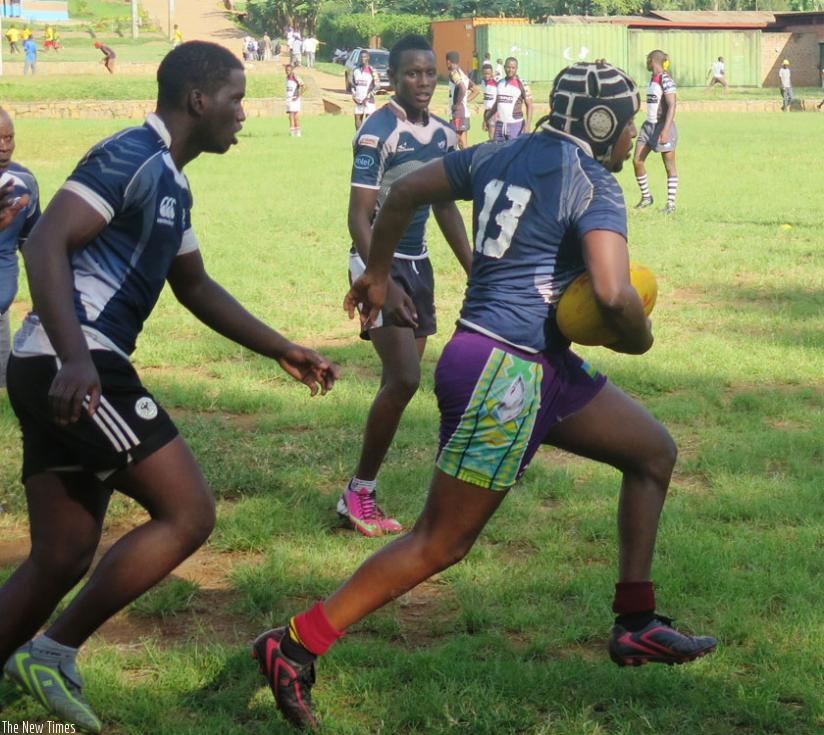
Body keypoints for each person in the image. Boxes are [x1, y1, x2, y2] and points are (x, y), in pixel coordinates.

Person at [252, 60, 717, 731]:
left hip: (536, 363)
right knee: (440, 541)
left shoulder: (497, 151)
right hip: (507, 372)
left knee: (652, 452)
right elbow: (614, 292)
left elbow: (407, 188)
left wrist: (377, 274)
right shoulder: (593, 183)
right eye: (628, 127)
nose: (634, 139)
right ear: (601, 123)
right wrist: (638, 338)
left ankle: (636, 621)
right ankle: (294, 643)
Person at [0, 41, 338, 733]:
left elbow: (195, 286)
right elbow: (44, 243)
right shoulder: (131, 156)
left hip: (57, 364)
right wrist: (76, 359)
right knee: (189, 512)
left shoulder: (174, 183)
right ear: (198, 100)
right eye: (238, 99)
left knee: (62, 551)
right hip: (77, 361)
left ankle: (29, 655)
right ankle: (53, 651)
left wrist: (283, 347)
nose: (244, 114)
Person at [336, 34, 472, 538]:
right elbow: (358, 213)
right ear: (392, 77)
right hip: (376, 263)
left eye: (429, 73)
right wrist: (378, 277)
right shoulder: (377, 133)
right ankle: (359, 492)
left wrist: (473, 267)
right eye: (412, 73)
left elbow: (444, 207)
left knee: (401, 383)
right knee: (405, 379)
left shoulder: (442, 134)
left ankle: (358, 490)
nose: (422, 82)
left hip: (418, 265)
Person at [0, 108, 40, 388]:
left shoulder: (24, 182)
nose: (4, 146)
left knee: (3, 390)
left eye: (9, 138)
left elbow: (33, 242)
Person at [633, 49, 678, 214]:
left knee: (669, 166)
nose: (646, 63)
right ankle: (646, 198)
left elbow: (672, 105)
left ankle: (671, 204)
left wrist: (665, 130)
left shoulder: (666, 79)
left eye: (647, 60)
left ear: (652, 60)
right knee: (637, 160)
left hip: (663, 126)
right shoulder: (652, 78)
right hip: (648, 126)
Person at [485, 56, 532, 143]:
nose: (510, 70)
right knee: (498, 152)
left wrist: (528, 125)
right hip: (500, 125)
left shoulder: (522, 83)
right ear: (504, 67)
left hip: (515, 125)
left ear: (516, 68)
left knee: (514, 153)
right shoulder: (500, 83)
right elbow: (497, 103)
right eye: (508, 67)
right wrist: (486, 118)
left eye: (513, 68)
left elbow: (529, 105)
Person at [446, 50, 478, 150]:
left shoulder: (453, 73)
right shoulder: (462, 74)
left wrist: (458, 104)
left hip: (458, 113)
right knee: (463, 144)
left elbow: (462, 88)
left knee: (453, 142)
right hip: (463, 112)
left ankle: (453, 164)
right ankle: (468, 164)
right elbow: (476, 90)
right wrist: (464, 101)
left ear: (448, 62)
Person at [349, 49, 378, 130]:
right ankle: (358, 138)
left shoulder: (372, 70)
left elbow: (377, 86)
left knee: (369, 122)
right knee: (357, 119)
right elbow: (353, 84)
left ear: (368, 58)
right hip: (358, 99)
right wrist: (354, 96)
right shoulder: (355, 70)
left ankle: (368, 139)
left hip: (369, 100)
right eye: (361, 57)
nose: (362, 59)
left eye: (364, 57)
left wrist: (368, 97)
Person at [285, 63, 305, 136]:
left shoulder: (295, 77)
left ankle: (293, 132)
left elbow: (303, 86)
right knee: (293, 115)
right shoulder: (287, 78)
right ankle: (297, 132)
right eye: (286, 70)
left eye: (288, 70)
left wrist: (298, 95)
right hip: (289, 98)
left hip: (294, 99)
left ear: (292, 70)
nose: (287, 71)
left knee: (292, 115)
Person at [479, 63, 498, 141]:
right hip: (487, 112)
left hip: (494, 112)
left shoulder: (495, 83)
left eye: (488, 74)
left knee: (492, 136)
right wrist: (484, 119)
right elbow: (486, 103)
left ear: (491, 73)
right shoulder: (483, 83)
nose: (486, 75)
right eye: (485, 74)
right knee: (491, 136)